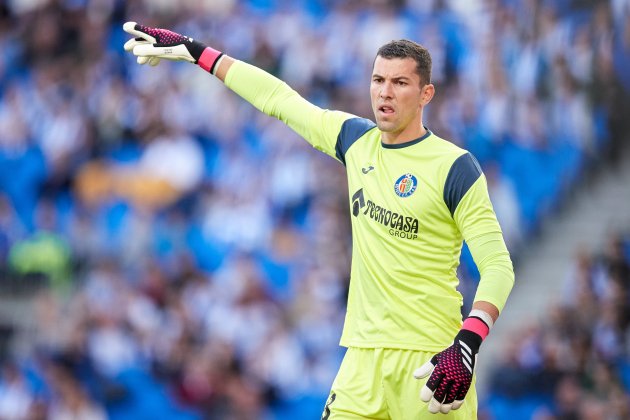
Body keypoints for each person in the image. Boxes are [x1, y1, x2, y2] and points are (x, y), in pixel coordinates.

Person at [123, 21, 515, 419]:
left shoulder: (455, 167)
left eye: (400, 83)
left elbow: (498, 265)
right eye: (378, 79)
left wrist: (467, 343)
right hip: (361, 361)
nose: (384, 91)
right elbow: (279, 99)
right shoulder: (356, 141)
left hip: (431, 361)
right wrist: (198, 52)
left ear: (426, 93)